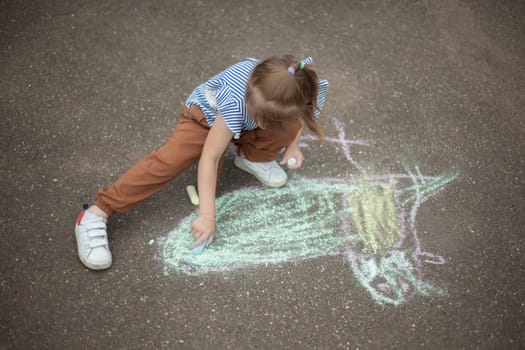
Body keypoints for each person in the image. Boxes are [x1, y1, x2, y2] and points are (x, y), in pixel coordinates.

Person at [74, 55, 329, 270]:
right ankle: (98, 212)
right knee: (170, 160)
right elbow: (211, 156)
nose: (263, 124)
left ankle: (251, 157)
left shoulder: (302, 90)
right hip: (204, 120)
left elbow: (299, 121)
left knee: (285, 128)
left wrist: (292, 144)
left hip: (242, 119)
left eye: (267, 120)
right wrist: (207, 216)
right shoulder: (235, 100)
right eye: (260, 117)